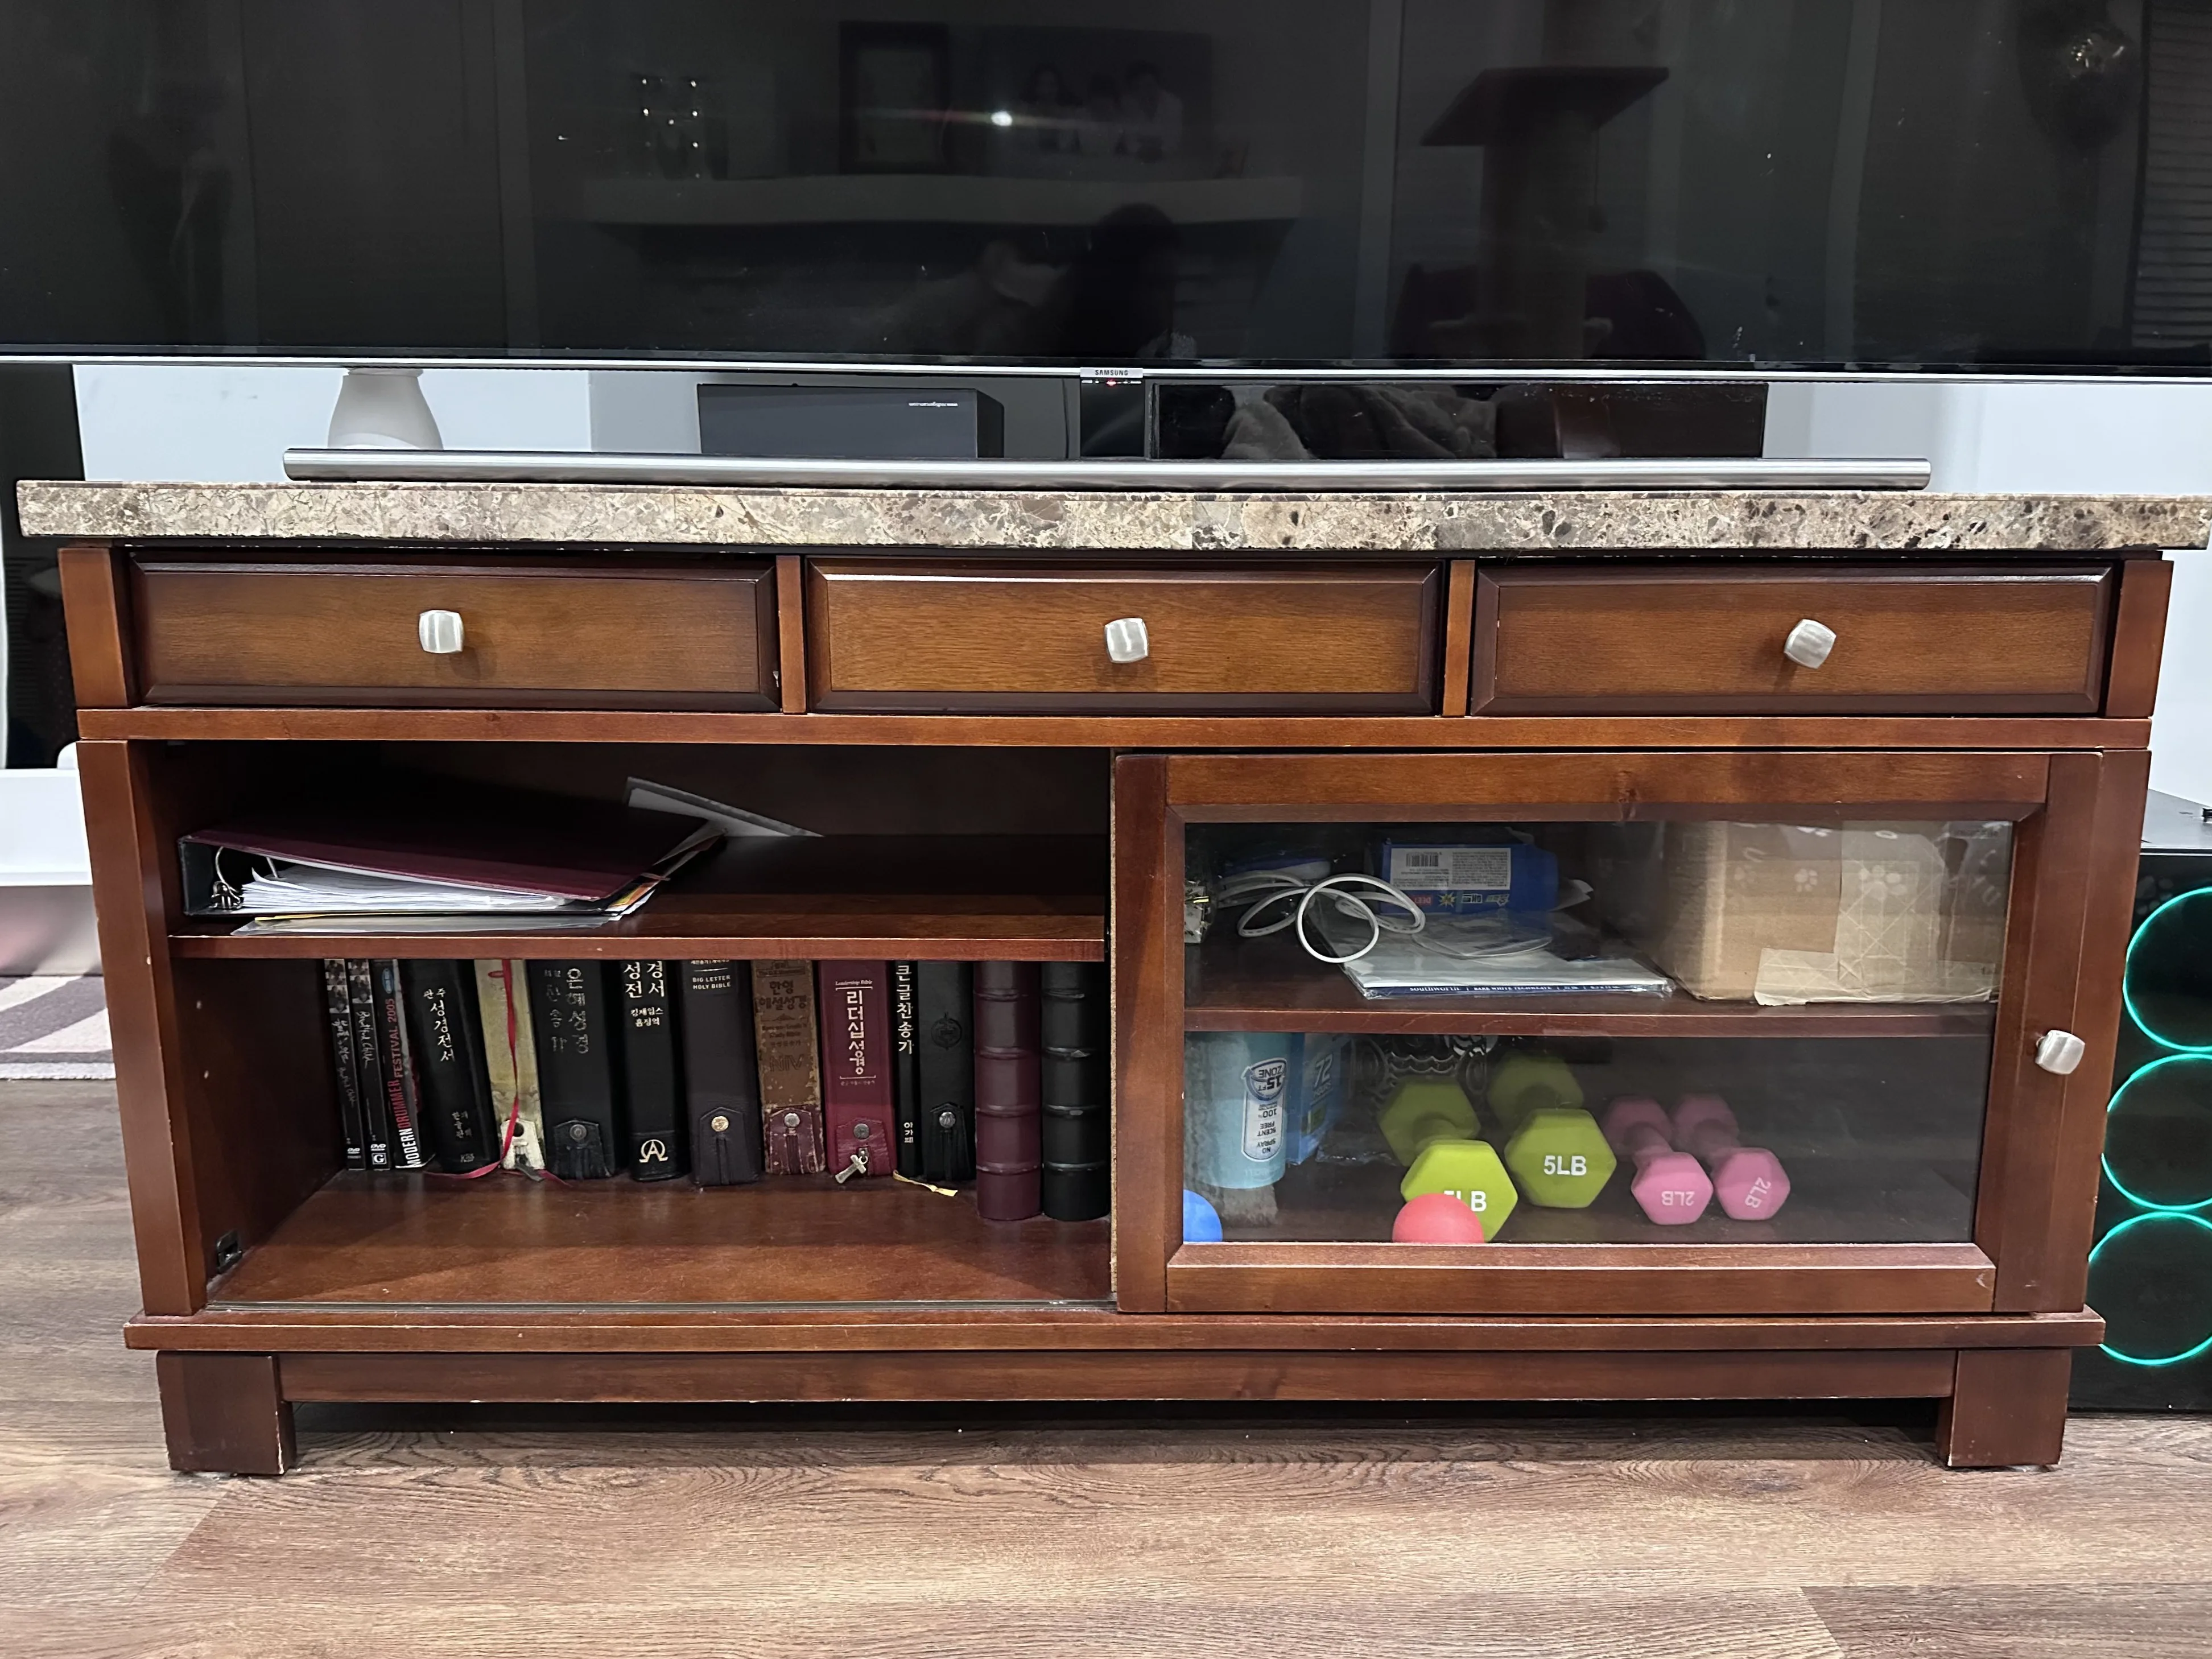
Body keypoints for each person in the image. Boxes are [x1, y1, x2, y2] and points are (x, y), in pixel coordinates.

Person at [1120, 61, 1183, 162]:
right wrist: (1140, 151)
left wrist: (1160, 152)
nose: (1145, 92)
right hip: (1136, 161)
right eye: (1139, 87)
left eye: (1149, 85)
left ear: (1158, 84)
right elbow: (1129, 140)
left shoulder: (1173, 104)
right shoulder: (1127, 104)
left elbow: (1173, 141)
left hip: (1168, 162)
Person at [1017, 65, 1076, 154]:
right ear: (1035, 86)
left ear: (1058, 87)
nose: (1046, 90)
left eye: (1051, 85)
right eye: (1042, 84)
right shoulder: (1023, 112)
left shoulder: (1069, 115)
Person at [1075, 72, 1122, 158]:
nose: (1103, 102)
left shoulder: (1119, 119)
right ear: (1092, 97)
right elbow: (1065, 147)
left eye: (1107, 97)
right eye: (1099, 96)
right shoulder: (1078, 116)